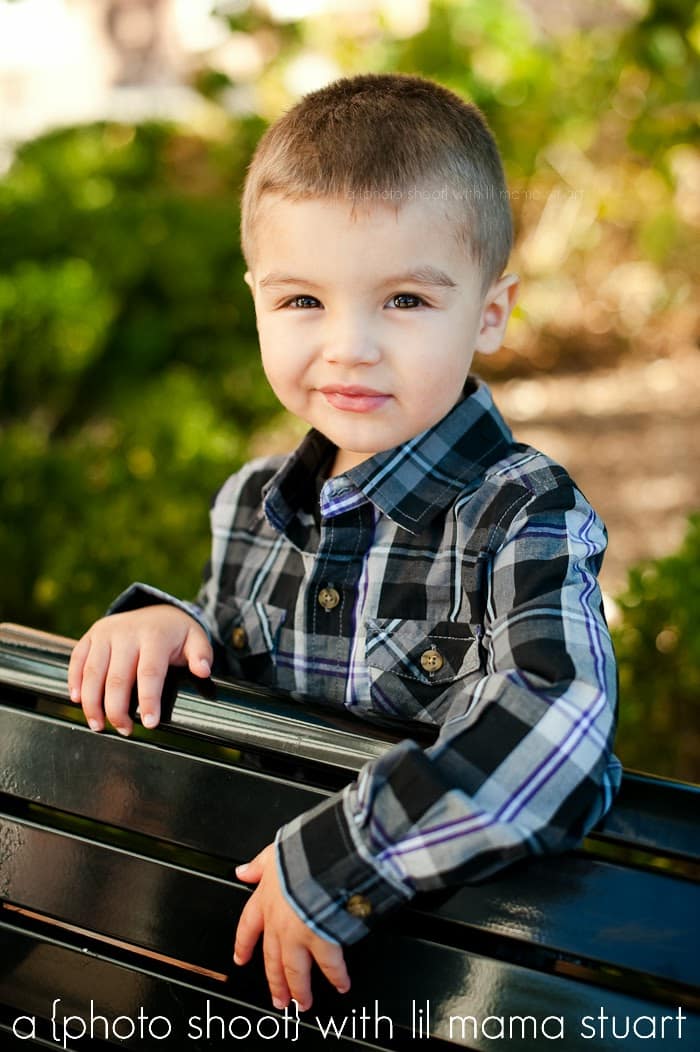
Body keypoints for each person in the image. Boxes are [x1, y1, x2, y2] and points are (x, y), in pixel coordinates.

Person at [68, 72, 622, 1015]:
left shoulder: (518, 515)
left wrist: (339, 860)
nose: (349, 345)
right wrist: (174, 625)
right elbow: (246, 661)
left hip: (452, 995)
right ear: (255, 300)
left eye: (405, 300)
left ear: (489, 311)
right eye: (301, 302)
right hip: (256, 986)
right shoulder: (250, 505)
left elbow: (555, 721)